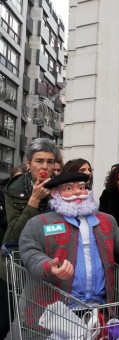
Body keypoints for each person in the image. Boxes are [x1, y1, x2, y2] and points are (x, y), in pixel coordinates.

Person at [18, 172, 119, 307]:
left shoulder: (106, 220)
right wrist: (49, 266)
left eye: (81, 187)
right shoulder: (40, 223)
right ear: (55, 193)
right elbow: (29, 250)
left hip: (99, 304)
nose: (77, 192)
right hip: (59, 306)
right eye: (69, 189)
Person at [1, 138, 59, 339]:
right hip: (16, 265)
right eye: (39, 161)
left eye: (50, 161)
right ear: (28, 164)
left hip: (50, 264)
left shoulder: (60, 188)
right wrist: (33, 201)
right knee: (6, 321)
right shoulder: (15, 188)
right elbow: (13, 235)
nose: (44, 167)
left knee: (48, 324)